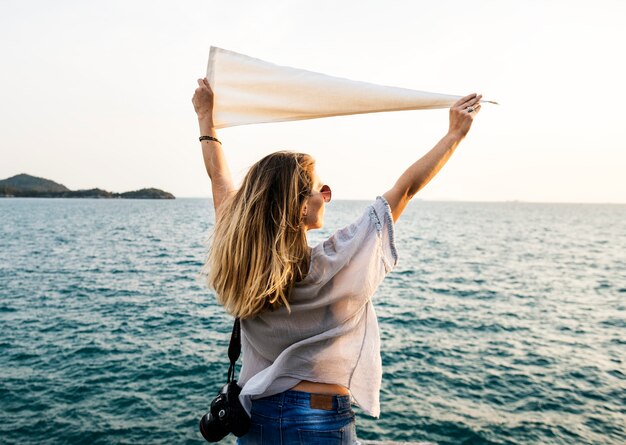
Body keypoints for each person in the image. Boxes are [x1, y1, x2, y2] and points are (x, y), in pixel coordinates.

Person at [192, 77, 481, 444]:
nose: (326, 196)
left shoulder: (241, 261)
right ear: (299, 208)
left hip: (257, 418)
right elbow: (405, 188)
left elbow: (219, 177)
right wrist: (455, 134)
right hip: (320, 419)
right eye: (320, 189)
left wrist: (205, 117)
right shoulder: (335, 261)